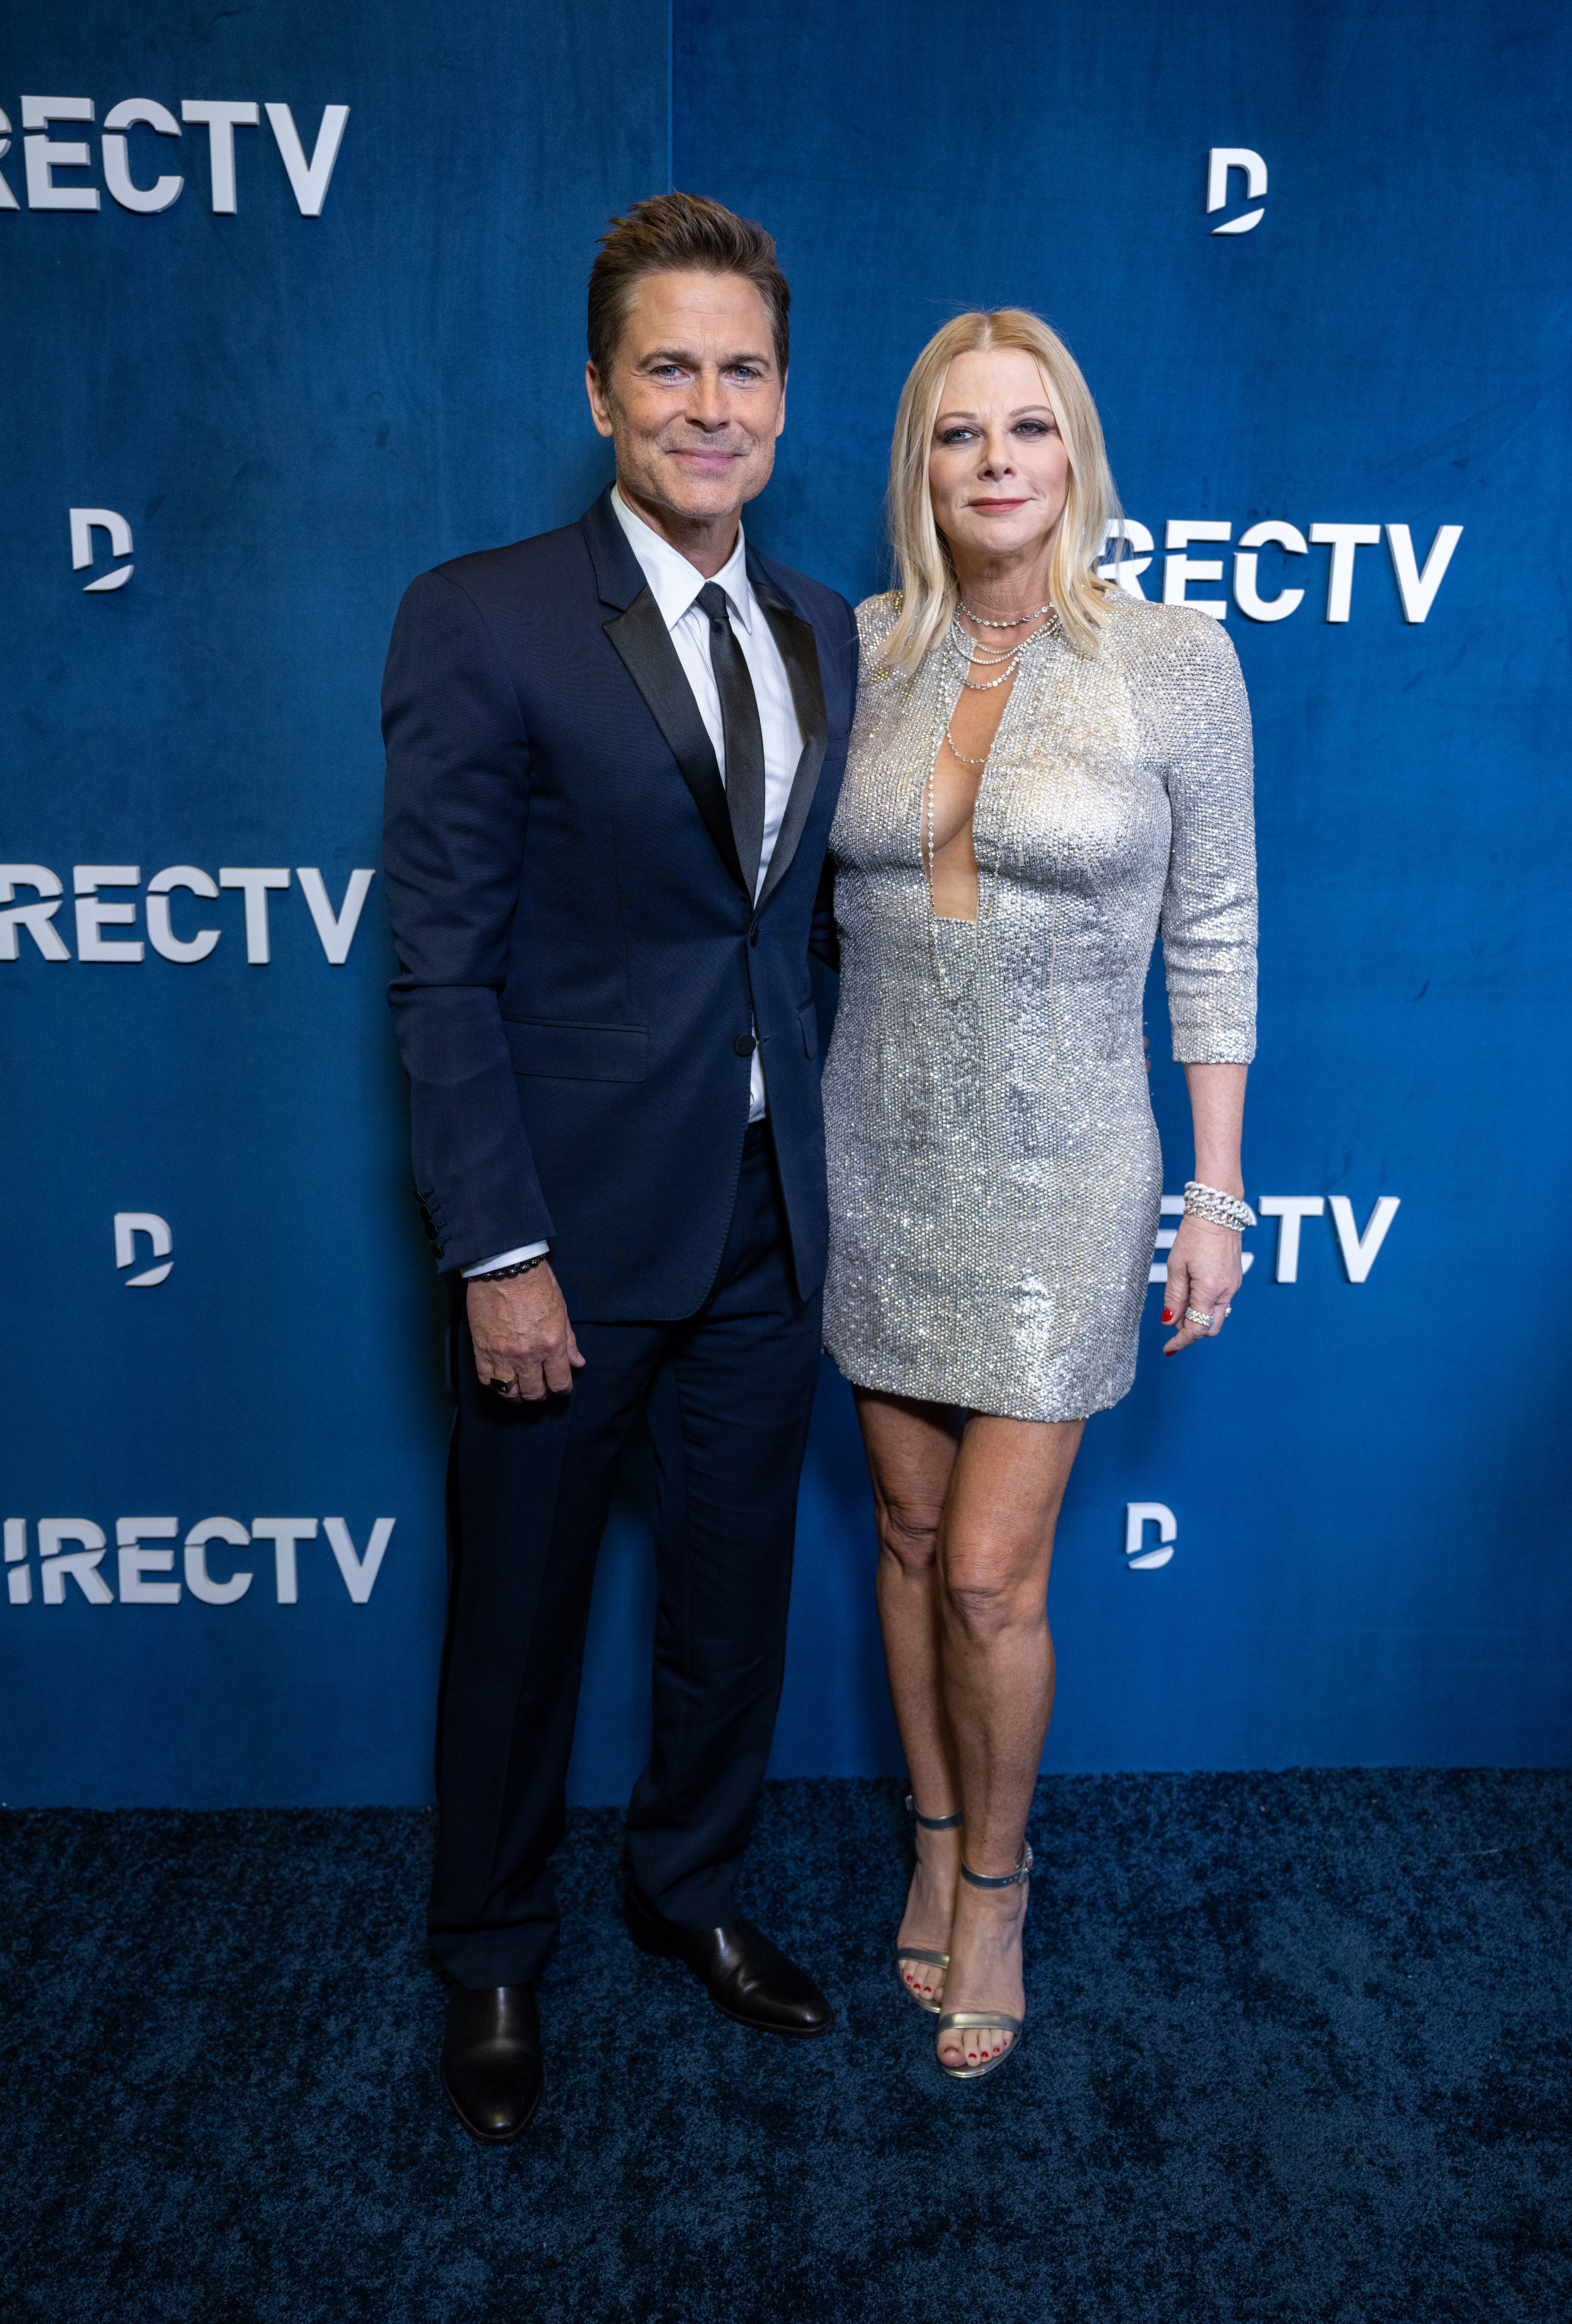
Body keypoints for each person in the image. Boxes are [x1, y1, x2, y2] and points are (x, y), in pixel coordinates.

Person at [381, 194, 858, 2142]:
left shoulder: (827, 621)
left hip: (766, 1224)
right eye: (669, 365)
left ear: (778, 393)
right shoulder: (481, 614)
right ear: (600, 391)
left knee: (734, 1601)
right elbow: (440, 966)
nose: (709, 403)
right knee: (519, 1616)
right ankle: (491, 1955)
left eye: (741, 368)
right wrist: (497, 1247)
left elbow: (796, 936)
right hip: (561, 1237)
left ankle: (691, 1895)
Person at [821, 309, 1257, 2081]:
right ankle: (931, 1832)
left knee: (994, 1573)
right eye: (956, 434)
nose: (996, 461)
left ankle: (997, 1882)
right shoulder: (856, 650)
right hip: (876, 1149)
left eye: (1030, 429)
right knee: (909, 1540)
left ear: (1077, 458)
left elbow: (1213, 928)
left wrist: (1217, 1189)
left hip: (1073, 1165)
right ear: (918, 468)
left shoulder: (1174, 658)